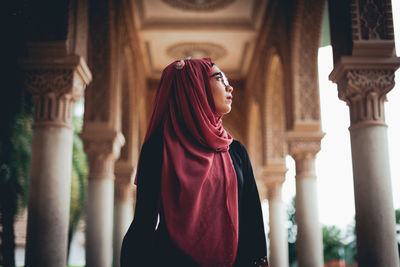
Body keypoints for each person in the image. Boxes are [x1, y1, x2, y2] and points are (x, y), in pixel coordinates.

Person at [120, 58, 268, 267]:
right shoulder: (159, 148)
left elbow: (252, 220)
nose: (229, 86)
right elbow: (144, 221)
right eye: (219, 78)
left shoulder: (236, 152)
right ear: (195, 87)